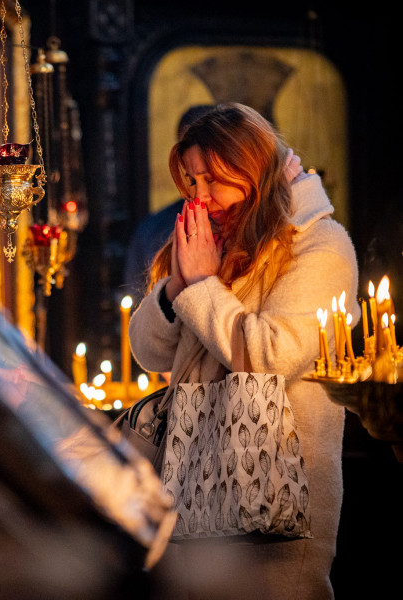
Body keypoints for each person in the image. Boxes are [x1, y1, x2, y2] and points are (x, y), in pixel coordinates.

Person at [128, 103, 358, 599]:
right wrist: (176, 288)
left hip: (274, 500)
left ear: (252, 170)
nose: (200, 197)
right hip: (194, 486)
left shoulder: (320, 246)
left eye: (213, 179)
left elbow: (271, 356)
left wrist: (202, 286)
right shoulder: (214, 244)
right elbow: (149, 353)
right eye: (193, 181)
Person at [123, 105, 215, 301]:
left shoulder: (252, 233)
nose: (201, 196)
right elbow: (138, 304)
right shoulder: (152, 230)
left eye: (211, 178)